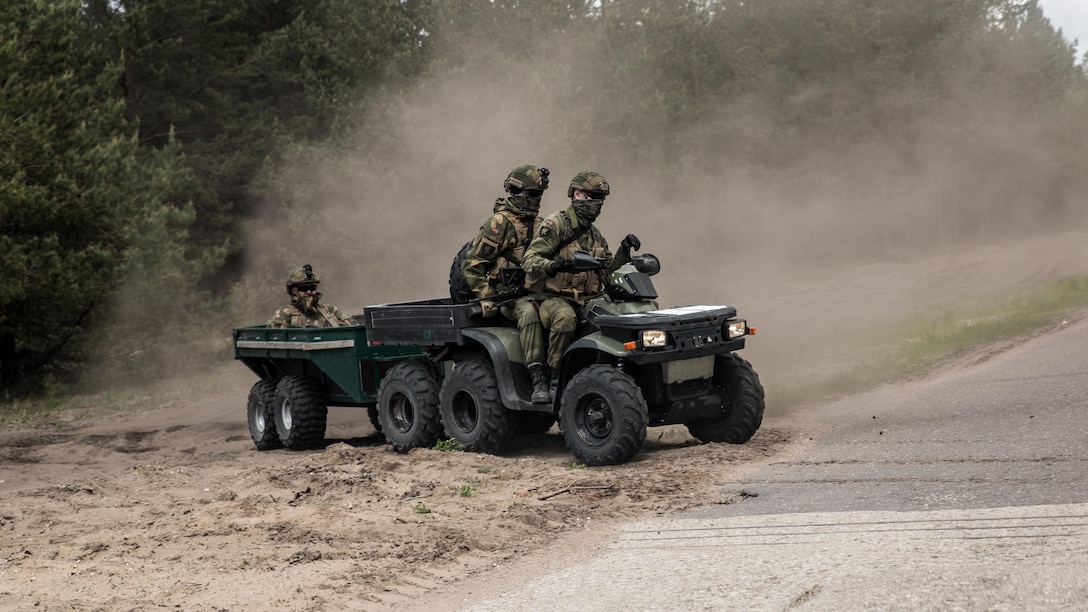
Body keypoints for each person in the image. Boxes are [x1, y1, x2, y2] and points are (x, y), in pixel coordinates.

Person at [522, 170, 640, 395]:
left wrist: (624, 251)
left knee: (617, 317)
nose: (598, 203)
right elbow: (529, 260)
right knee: (564, 319)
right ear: (577, 194)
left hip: (586, 299)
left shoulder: (594, 234)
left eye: (601, 199)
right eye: (593, 197)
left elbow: (606, 272)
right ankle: (554, 379)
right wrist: (553, 266)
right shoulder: (555, 224)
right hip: (552, 298)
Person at [461, 164, 553, 403]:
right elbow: (472, 264)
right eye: (533, 194)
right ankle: (538, 378)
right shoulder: (499, 224)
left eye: (540, 193)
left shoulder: (543, 222)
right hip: (508, 297)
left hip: (539, 291)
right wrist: (487, 298)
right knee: (529, 314)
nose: (537, 199)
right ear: (517, 192)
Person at [267, 264, 358, 328]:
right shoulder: (286, 313)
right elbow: (273, 339)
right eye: (304, 288)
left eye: (312, 287)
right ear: (294, 290)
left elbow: (353, 328)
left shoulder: (329, 310)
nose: (309, 291)